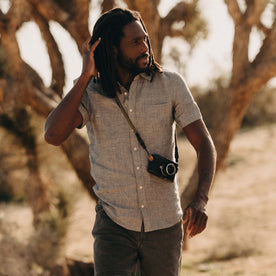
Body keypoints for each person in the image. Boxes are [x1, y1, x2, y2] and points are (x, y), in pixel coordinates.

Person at [44, 8, 216, 276]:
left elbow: (204, 143)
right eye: (135, 42)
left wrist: (201, 200)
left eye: (145, 39)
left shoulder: (170, 84)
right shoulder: (90, 93)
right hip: (114, 227)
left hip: (165, 226)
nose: (145, 47)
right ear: (113, 49)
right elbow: (53, 135)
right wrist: (86, 76)